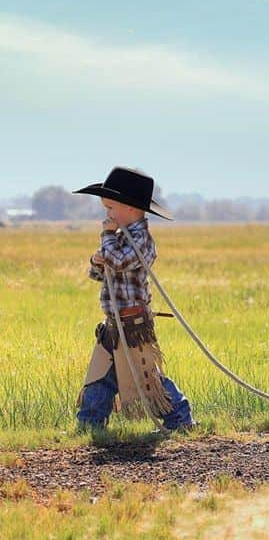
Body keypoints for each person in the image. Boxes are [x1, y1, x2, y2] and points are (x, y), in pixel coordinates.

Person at [72, 167, 194, 432]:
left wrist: (106, 240)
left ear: (129, 208)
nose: (108, 215)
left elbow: (120, 262)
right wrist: (96, 261)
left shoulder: (143, 241)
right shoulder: (115, 239)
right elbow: (100, 273)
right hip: (113, 323)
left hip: (134, 324)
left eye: (110, 208)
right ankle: (90, 423)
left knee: (147, 377)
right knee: (99, 376)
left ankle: (180, 417)